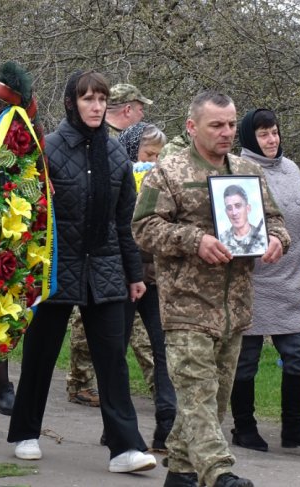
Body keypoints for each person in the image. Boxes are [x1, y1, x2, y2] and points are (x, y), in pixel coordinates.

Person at [132, 91, 290, 487]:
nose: (227, 133)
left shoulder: (246, 171)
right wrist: (194, 240)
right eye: (216, 125)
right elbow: (143, 228)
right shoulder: (167, 171)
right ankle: (220, 473)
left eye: (232, 124)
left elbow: (275, 221)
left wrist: (276, 241)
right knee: (198, 395)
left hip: (235, 308)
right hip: (187, 306)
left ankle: (182, 475)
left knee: (213, 402)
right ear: (192, 126)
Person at [7, 70, 156, 474]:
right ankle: (25, 433)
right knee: (40, 355)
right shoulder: (48, 150)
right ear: (72, 103)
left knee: (112, 360)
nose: (95, 106)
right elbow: (29, 216)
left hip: (105, 269)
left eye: (101, 99)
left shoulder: (115, 155)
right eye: (87, 98)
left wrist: (134, 272)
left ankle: (125, 448)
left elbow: (123, 221)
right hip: (55, 269)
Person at [230, 109, 300, 452]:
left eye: (274, 132)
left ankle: (294, 428)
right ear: (249, 138)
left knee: (298, 355)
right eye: (263, 134)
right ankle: (244, 428)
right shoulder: (238, 169)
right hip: (252, 279)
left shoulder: (291, 170)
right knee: (245, 362)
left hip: (289, 278)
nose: (272, 140)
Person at [66, 81, 153, 408]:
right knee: (83, 321)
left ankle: (89, 383)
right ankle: (80, 380)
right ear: (128, 108)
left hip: (112, 251)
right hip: (88, 248)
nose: (143, 114)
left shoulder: (115, 143)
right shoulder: (108, 141)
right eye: (141, 108)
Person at [118, 122, 177, 451]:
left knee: (163, 349)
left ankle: (166, 424)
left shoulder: (163, 183)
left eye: (158, 155)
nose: (153, 161)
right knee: (116, 351)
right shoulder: (119, 180)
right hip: (125, 278)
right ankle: (118, 423)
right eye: (147, 154)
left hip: (155, 280)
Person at [218, 185, 267, 255]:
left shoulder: (263, 239)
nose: (234, 213)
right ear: (226, 212)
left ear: (248, 209)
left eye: (238, 206)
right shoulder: (221, 240)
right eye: (229, 208)